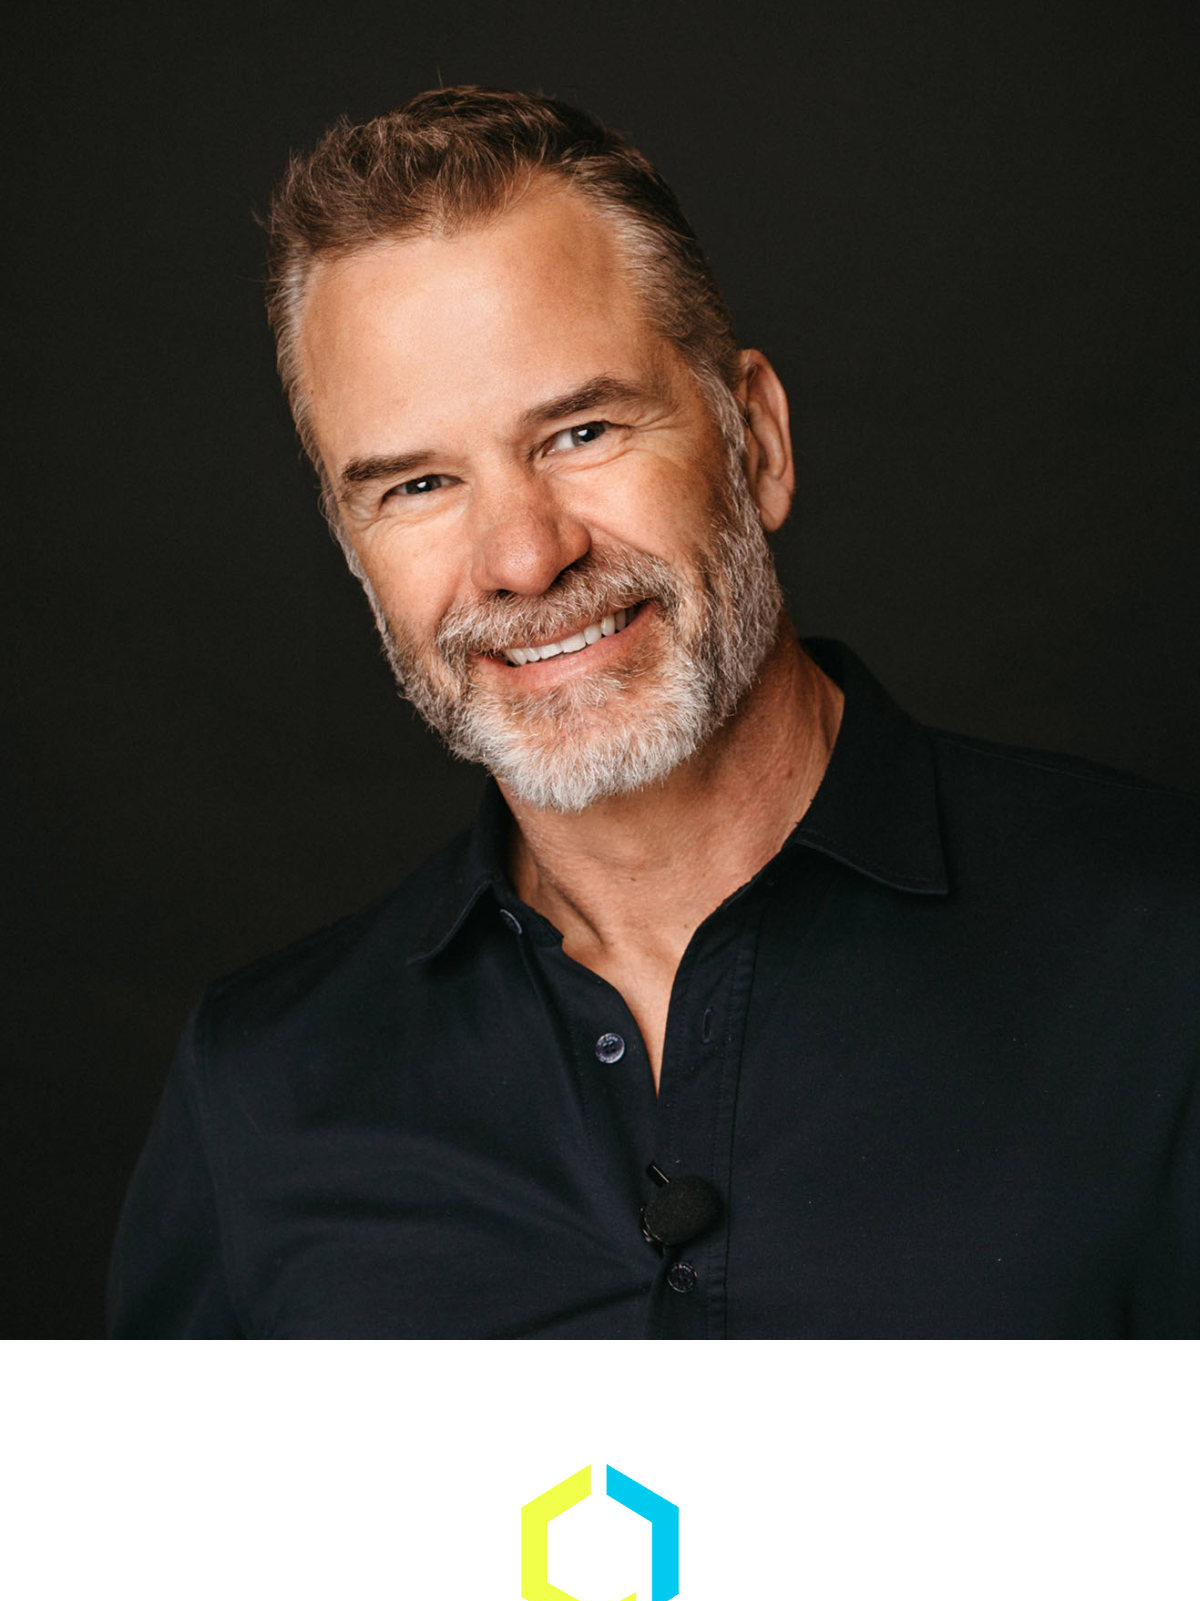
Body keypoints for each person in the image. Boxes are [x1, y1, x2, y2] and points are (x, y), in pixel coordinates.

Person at [108, 86, 1200, 1339]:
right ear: (356, 553)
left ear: (757, 441)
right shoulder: (260, 1087)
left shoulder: (1164, 960)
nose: (525, 559)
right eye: (417, 485)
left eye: (581, 431)